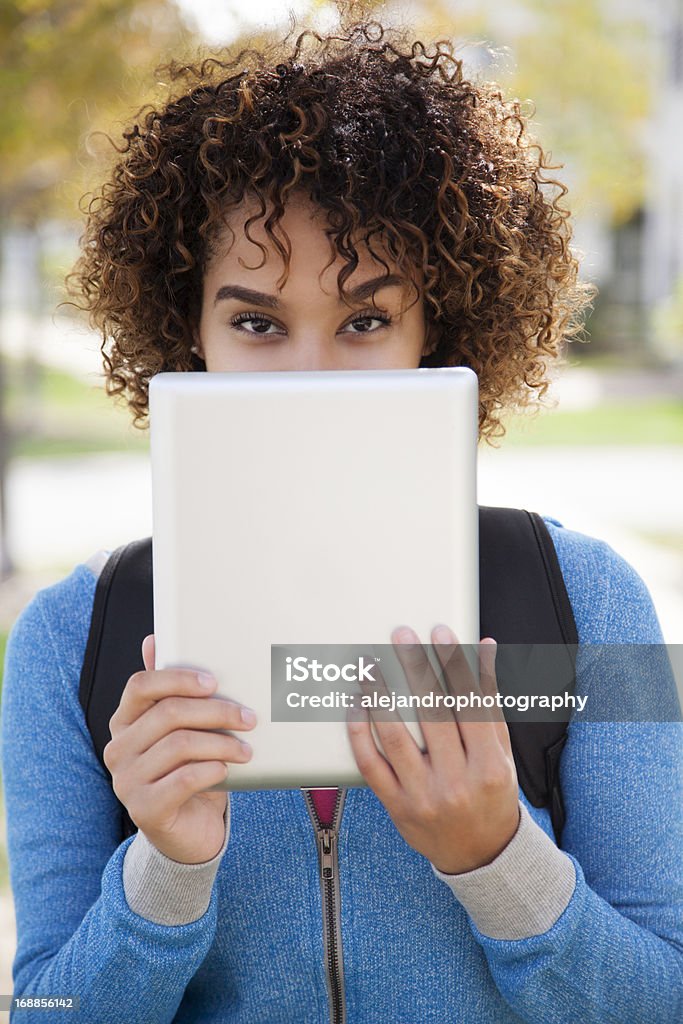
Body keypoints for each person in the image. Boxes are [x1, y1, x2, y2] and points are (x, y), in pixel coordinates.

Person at [1, 10, 681, 1024]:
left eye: (363, 318)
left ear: (434, 332)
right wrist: (165, 874)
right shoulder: (69, 636)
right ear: (187, 339)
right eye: (254, 322)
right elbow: (48, 1008)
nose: (309, 374)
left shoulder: (590, 602)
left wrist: (498, 861)